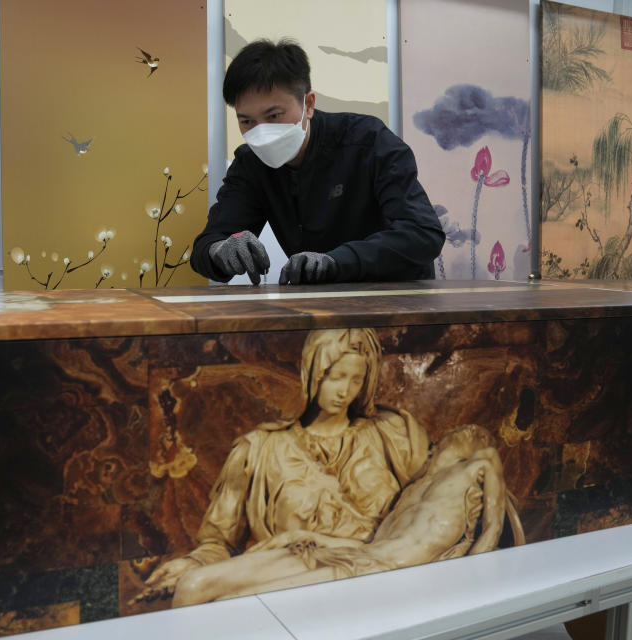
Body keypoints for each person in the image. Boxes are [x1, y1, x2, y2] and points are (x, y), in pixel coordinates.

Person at [135, 328, 429, 603]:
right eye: (336, 377)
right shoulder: (259, 448)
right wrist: (194, 561)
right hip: (295, 569)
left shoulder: (392, 434)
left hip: (381, 566)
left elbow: (430, 505)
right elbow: (219, 541)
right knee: (196, 588)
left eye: (356, 380)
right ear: (313, 374)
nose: (345, 391)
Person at [171, 424, 526, 606]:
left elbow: (493, 530)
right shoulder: (410, 494)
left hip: (381, 574)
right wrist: (301, 536)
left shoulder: (481, 463)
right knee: (192, 585)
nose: (431, 448)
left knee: (230, 606)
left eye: (439, 443)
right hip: (355, 556)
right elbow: (371, 543)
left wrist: (476, 596)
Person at [190, 39, 445, 285]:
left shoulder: (368, 141)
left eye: (274, 116)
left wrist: (336, 261)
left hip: (398, 301)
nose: (261, 132)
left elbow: (423, 233)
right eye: (246, 121)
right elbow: (207, 244)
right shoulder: (250, 164)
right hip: (317, 307)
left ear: (308, 104)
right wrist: (220, 250)